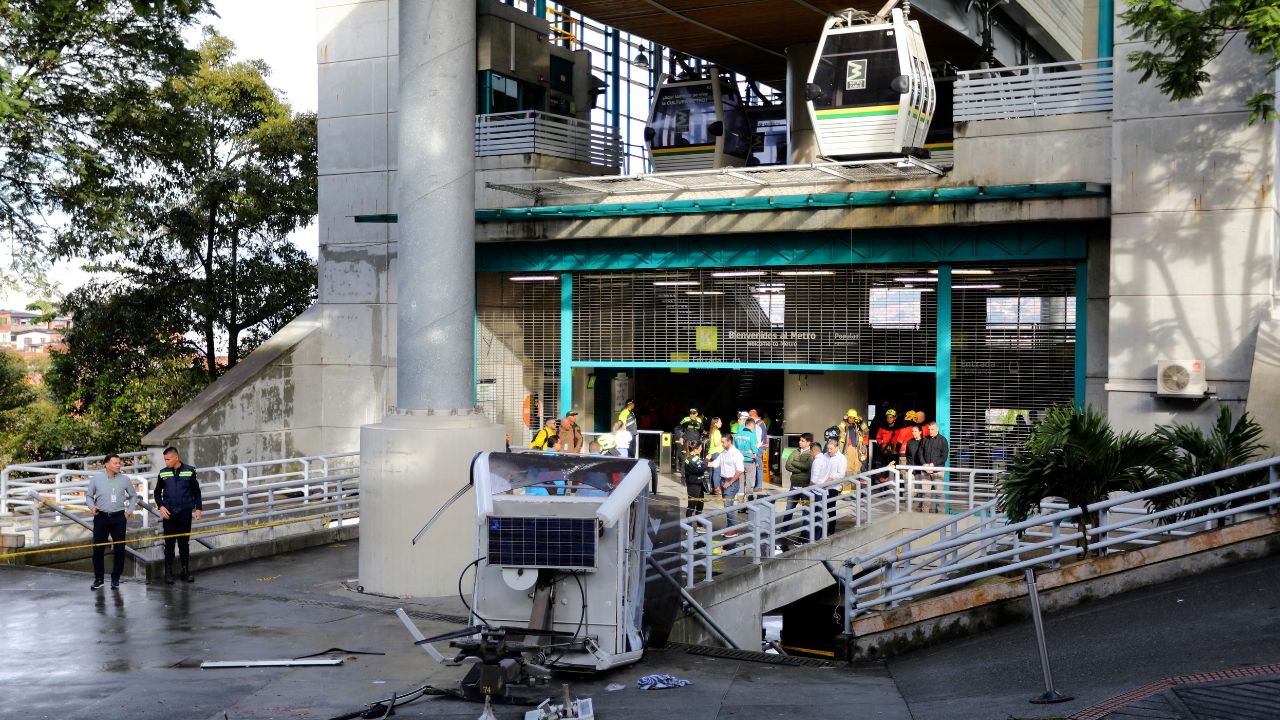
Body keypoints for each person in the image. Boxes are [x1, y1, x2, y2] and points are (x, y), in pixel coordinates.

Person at [87, 453, 138, 590]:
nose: (118, 465)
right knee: (98, 549)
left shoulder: (125, 479)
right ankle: (99, 579)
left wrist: (129, 511)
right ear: (106, 464)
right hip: (101, 517)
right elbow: (88, 496)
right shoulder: (96, 479)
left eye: (119, 463)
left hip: (119, 518)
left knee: (120, 549)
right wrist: (92, 507)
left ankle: (116, 578)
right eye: (115, 463)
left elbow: (133, 496)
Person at [154, 447, 203, 584]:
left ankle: (185, 571)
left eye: (168, 459)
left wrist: (198, 508)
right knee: (169, 544)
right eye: (165, 459)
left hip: (185, 513)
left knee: (183, 543)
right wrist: (161, 507)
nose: (166, 462)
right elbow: (157, 493)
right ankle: (168, 573)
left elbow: (196, 491)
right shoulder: (163, 473)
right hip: (169, 514)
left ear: (176, 458)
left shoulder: (189, 470)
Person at [809, 439, 848, 539]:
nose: (829, 450)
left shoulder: (841, 458)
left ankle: (830, 530)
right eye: (828, 448)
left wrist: (830, 477)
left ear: (836, 448)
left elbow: (841, 474)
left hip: (833, 487)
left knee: (830, 509)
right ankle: (820, 531)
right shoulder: (824, 456)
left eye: (831, 449)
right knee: (820, 509)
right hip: (821, 486)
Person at [709, 434, 745, 537]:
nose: (722, 443)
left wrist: (730, 482)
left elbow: (740, 470)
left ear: (729, 442)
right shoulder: (723, 452)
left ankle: (732, 529)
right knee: (727, 506)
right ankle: (730, 527)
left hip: (731, 483)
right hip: (724, 481)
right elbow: (715, 463)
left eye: (723, 442)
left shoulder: (736, 453)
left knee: (728, 506)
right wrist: (702, 463)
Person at [783, 433, 814, 543]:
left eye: (802, 441)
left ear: (808, 442)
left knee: (806, 511)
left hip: (805, 486)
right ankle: (784, 531)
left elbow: (807, 466)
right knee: (788, 509)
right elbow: (787, 465)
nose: (800, 442)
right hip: (794, 485)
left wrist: (795, 463)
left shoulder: (811, 453)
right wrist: (799, 470)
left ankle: (805, 533)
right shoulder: (795, 451)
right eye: (800, 440)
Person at [920, 421, 950, 512]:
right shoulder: (924, 440)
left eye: (932, 429)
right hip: (925, 470)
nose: (930, 431)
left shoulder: (943, 440)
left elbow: (944, 457)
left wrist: (933, 464)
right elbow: (920, 454)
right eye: (929, 429)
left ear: (937, 429)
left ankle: (941, 514)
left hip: (938, 470)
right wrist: (924, 464)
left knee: (940, 494)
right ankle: (925, 514)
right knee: (926, 494)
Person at [681, 440, 709, 523]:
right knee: (691, 506)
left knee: (700, 505)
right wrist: (707, 459)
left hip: (699, 484)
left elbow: (701, 465)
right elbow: (700, 469)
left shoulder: (695, 457)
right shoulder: (691, 459)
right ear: (696, 449)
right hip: (694, 486)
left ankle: (699, 526)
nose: (701, 448)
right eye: (700, 447)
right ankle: (688, 528)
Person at [732, 417, 758, 498]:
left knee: (740, 483)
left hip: (739, 462)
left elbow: (734, 449)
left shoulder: (737, 435)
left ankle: (740, 506)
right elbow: (755, 449)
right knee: (750, 483)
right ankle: (749, 503)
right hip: (749, 461)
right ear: (752, 425)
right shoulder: (752, 435)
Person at [837, 409, 866, 477]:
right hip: (849, 448)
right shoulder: (844, 424)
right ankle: (848, 484)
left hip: (857, 448)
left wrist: (861, 422)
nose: (851, 419)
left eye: (853, 418)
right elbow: (840, 429)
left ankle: (856, 484)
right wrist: (843, 420)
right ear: (847, 417)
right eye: (850, 417)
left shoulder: (856, 425)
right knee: (849, 467)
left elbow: (865, 429)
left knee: (857, 465)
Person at [747, 409, 767, 491]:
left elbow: (758, 440)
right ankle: (757, 485)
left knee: (758, 466)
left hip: (758, 447)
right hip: (760, 447)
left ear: (752, 415)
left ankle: (758, 486)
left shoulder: (758, 424)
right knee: (757, 466)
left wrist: (754, 450)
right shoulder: (760, 423)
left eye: (749, 416)